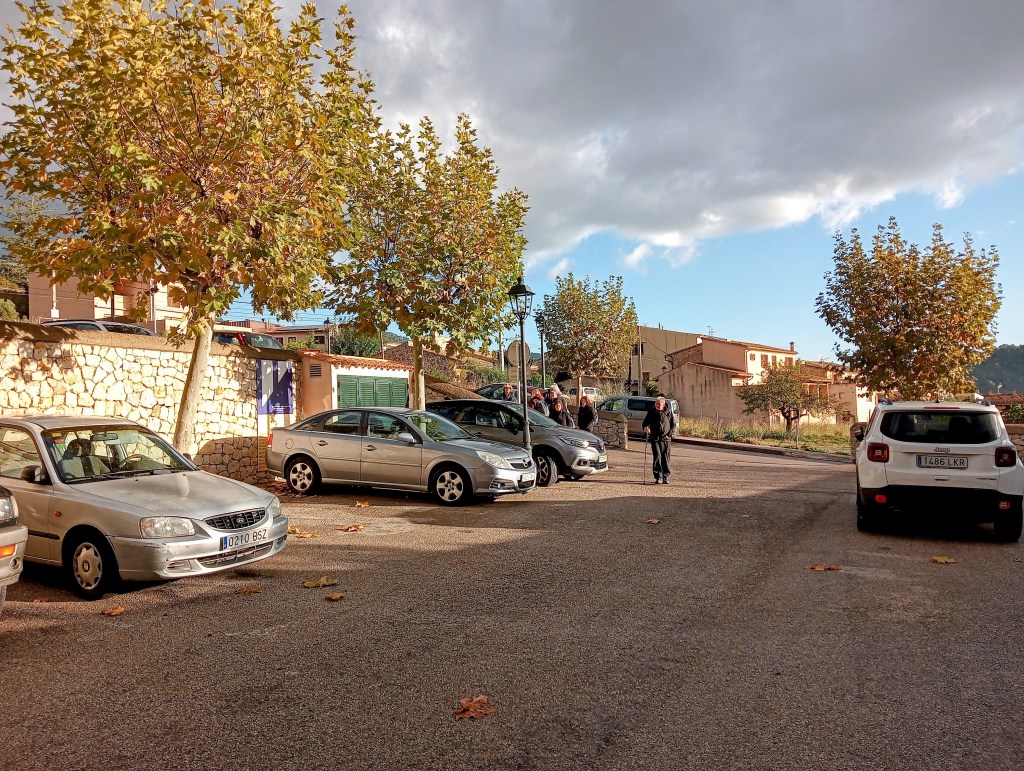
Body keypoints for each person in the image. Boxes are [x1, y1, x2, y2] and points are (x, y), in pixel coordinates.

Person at [642, 395, 676, 484]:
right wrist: (646, 429)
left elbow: (673, 425)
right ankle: (658, 477)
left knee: (665, 457)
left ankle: (665, 476)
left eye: (659, 404)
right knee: (657, 457)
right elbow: (645, 423)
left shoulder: (668, 412)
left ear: (663, 404)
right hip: (655, 438)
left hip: (666, 439)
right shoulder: (651, 412)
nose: (657, 405)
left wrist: (669, 435)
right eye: (656, 404)